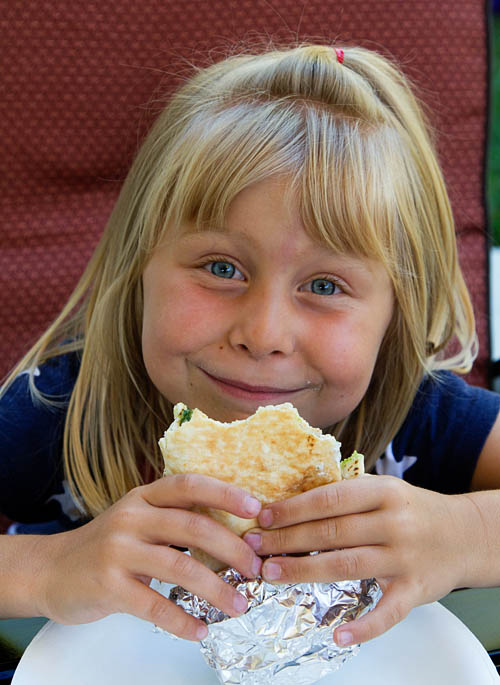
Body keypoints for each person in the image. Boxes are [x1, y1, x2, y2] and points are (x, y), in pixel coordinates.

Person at [1, 42, 500, 649]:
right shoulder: (59, 413)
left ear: (395, 316)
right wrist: (45, 568)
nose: (263, 335)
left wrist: (465, 534)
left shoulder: (421, 419)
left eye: (324, 285)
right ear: (139, 270)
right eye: (220, 268)